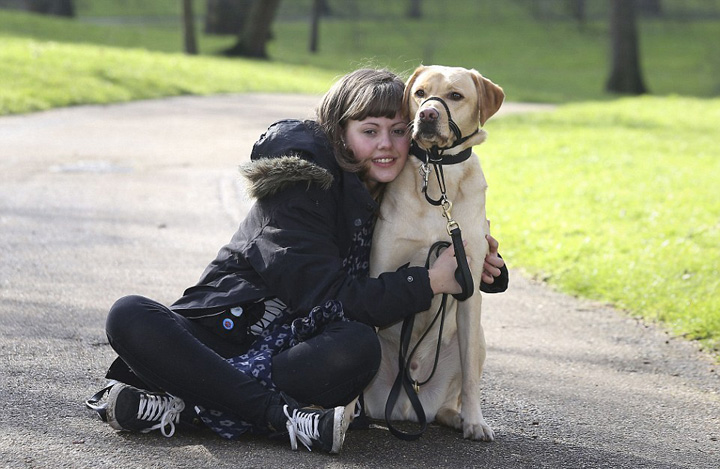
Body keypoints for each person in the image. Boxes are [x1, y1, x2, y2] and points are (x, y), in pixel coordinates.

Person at [86, 68, 508, 454]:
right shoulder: (301, 185)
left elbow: (428, 247)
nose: (387, 144)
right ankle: (280, 418)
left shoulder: (390, 186)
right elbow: (325, 296)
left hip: (296, 353)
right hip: (225, 334)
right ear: (341, 134)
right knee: (129, 314)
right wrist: (428, 282)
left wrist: (484, 269)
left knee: (359, 347)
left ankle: (181, 407)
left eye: (398, 130)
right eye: (370, 130)